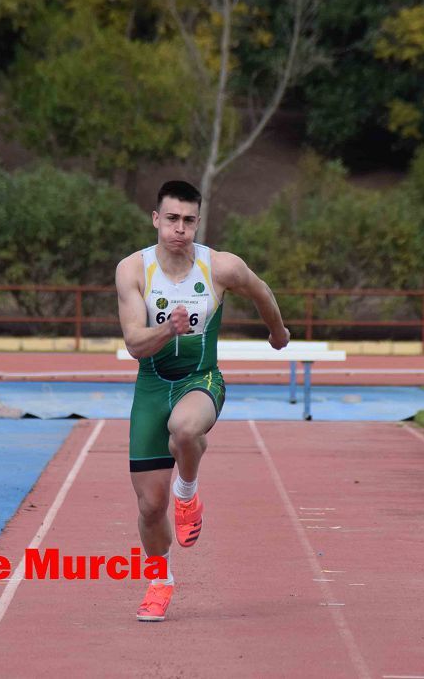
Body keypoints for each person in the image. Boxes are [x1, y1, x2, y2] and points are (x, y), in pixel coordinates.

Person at [115, 180, 290, 621]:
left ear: (198, 223)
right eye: (171, 219)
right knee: (150, 506)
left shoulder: (219, 267)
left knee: (186, 428)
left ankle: (188, 492)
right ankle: (159, 580)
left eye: (188, 221)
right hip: (152, 385)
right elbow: (135, 344)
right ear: (156, 219)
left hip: (201, 378)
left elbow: (261, 289)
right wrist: (168, 330)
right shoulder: (133, 270)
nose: (180, 229)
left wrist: (277, 331)